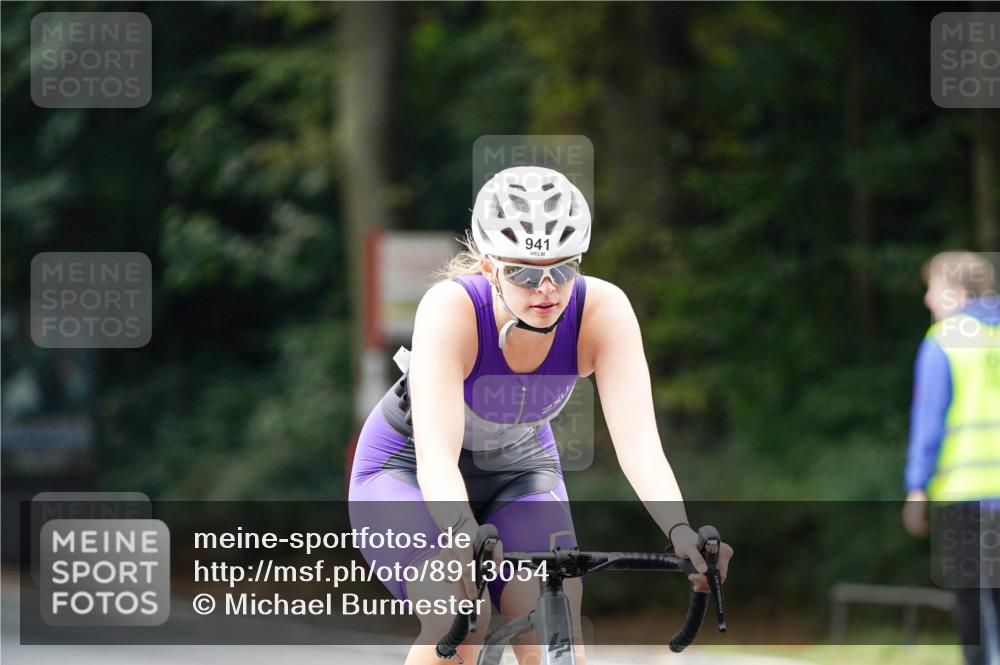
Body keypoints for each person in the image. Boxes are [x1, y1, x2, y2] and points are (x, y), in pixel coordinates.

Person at [349, 165, 732, 665]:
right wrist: (459, 531)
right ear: (489, 268)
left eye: (563, 268)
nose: (546, 288)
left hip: (520, 469)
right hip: (407, 471)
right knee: (459, 620)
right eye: (525, 273)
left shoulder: (603, 312)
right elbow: (438, 457)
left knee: (554, 629)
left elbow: (638, 443)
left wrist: (680, 532)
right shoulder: (452, 310)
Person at [902, 250, 1000, 665]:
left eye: (934, 289)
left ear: (958, 293)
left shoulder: (945, 339)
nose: (927, 299)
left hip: (968, 496)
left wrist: (916, 488)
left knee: (975, 611)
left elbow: (930, 422)